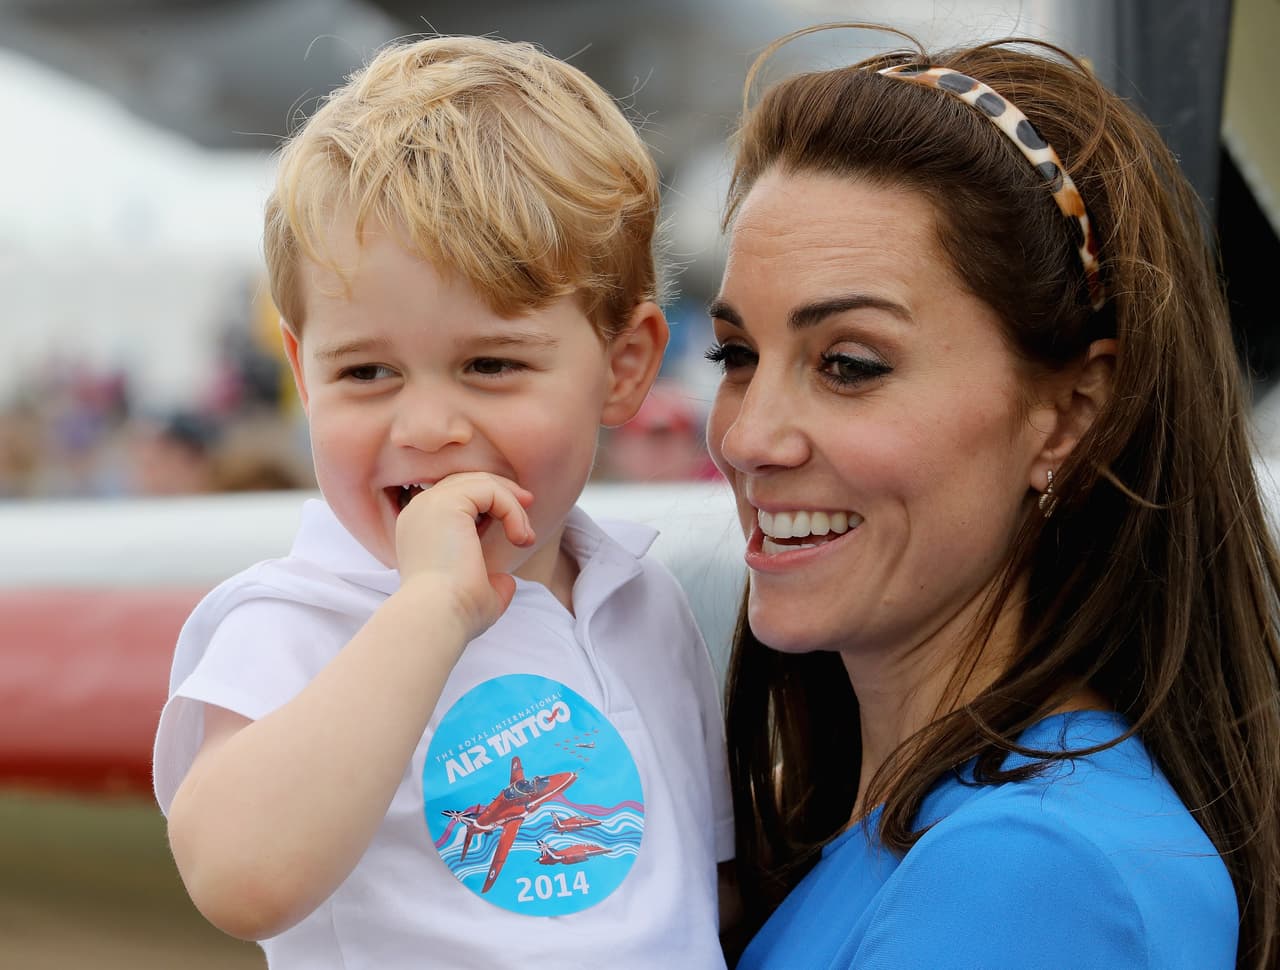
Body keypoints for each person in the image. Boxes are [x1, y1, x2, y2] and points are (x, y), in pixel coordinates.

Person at [705, 22, 1280, 970]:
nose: (748, 439)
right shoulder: (922, 830)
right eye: (737, 356)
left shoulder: (1033, 873)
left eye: (848, 364)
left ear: (1069, 414)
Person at [152, 35, 732, 969]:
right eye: (367, 370)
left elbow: (700, 898)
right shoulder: (296, 621)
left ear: (624, 368)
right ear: (305, 377)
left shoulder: (642, 603)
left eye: (490, 364)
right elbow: (237, 877)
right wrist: (429, 608)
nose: (426, 426)